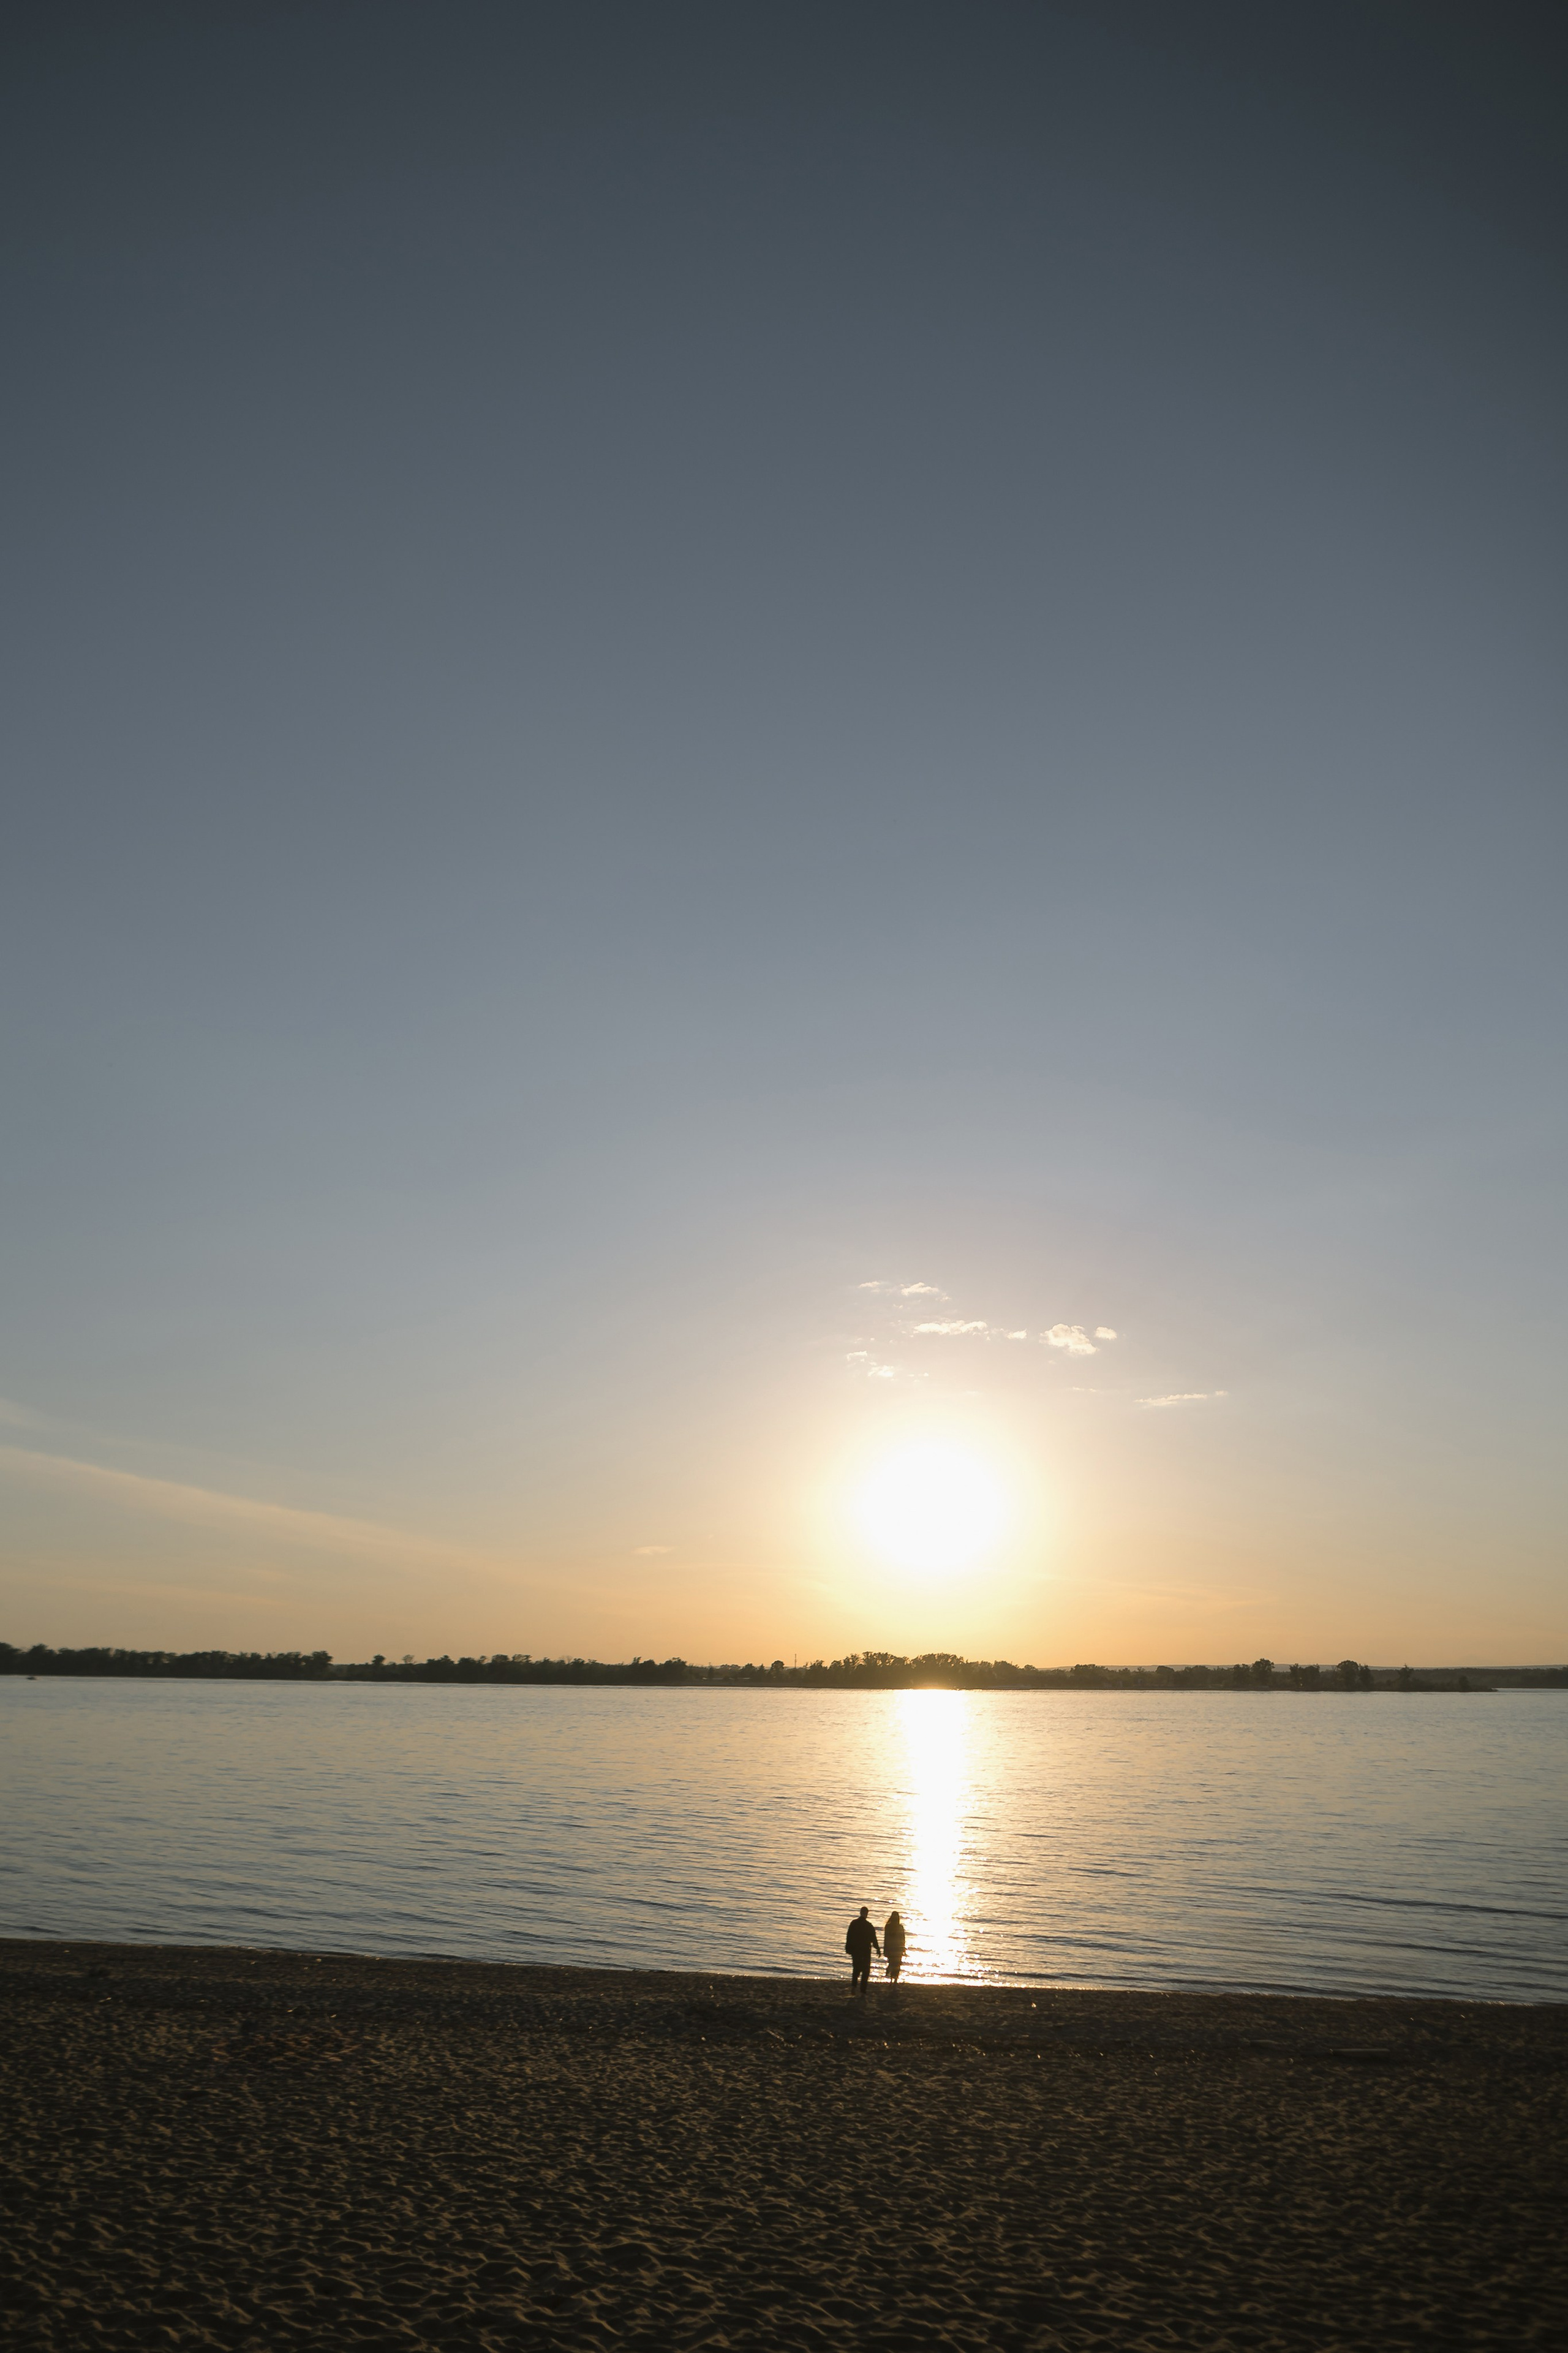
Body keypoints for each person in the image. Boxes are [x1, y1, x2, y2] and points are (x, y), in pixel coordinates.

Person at [844, 1905, 880, 1995]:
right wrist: (878, 1949)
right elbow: (874, 1939)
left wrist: (848, 1948)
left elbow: (849, 1937)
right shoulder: (869, 1926)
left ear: (860, 1913)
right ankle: (863, 1991)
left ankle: (853, 1986)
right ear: (867, 1914)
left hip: (856, 1950)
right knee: (865, 1971)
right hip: (865, 1951)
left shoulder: (854, 1923)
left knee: (856, 1969)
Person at [883, 1909, 907, 1982]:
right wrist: (903, 1949)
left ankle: (891, 1980)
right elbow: (903, 1939)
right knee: (897, 1965)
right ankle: (895, 1980)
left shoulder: (888, 1927)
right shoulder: (900, 1927)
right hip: (898, 1949)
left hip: (891, 1949)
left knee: (892, 1964)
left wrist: (885, 1949)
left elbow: (886, 1939)